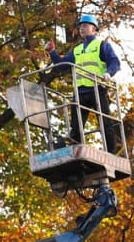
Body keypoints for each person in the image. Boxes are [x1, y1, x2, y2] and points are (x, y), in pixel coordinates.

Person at [45, 14, 120, 154]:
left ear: (94, 29)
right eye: (80, 26)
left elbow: (114, 62)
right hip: (80, 92)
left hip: (97, 89)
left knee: (105, 122)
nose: (82, 29)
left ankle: (111, 152)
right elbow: (62, 66)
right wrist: (52, 52)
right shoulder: (77, 49)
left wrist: (108, 73)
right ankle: (75, 150)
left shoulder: (101, 45)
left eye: (85, 26)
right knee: (76, 126)